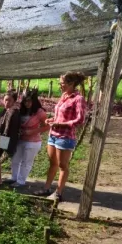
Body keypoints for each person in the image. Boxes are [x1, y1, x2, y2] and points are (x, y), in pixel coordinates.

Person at [34, 72, 87, 201]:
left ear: (71, 84)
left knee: (63, 165)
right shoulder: (63, 96)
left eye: (62, 83)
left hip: (65, 136)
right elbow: (59, 115)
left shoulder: (78, 98)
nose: (60, 86)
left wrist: (62, 124)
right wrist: (51, 120)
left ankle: (58, 193)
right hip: (53, 134)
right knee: (52, 163)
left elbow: (80, 119)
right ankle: (46, 188)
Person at [8, 88, 49, 189]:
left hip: (33, 141)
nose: (27, 103)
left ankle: (21, 181)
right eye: (25, 101)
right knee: (15, 159)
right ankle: (14, 178)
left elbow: (47, 126)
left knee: (26, 162)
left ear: (34, 101)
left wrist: (32, 131)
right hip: (20, 139)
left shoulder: (40, 112)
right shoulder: (22, 110)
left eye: (29, 101)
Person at [0, 91, 20, 186]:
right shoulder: (5, 110)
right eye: (5, 100)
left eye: (9, 100)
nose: (7, 102)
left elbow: (11, 129)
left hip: (3, 138)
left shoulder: (14, 112)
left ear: (14, 101)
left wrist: (5, 139)